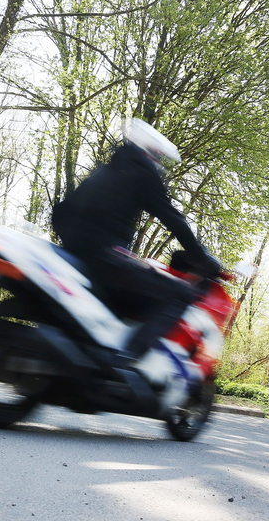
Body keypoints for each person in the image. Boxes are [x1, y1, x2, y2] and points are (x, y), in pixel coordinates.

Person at [51, 117, 218, 361]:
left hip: (77, 255)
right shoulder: (141, 171)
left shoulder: (107, 170)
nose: (160, 163)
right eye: (159, 156)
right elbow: (172, 218)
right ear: (150, 152)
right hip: (105, 258)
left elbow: (62, 213)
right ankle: (126, 361)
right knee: (181, 293)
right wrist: (201, 256)